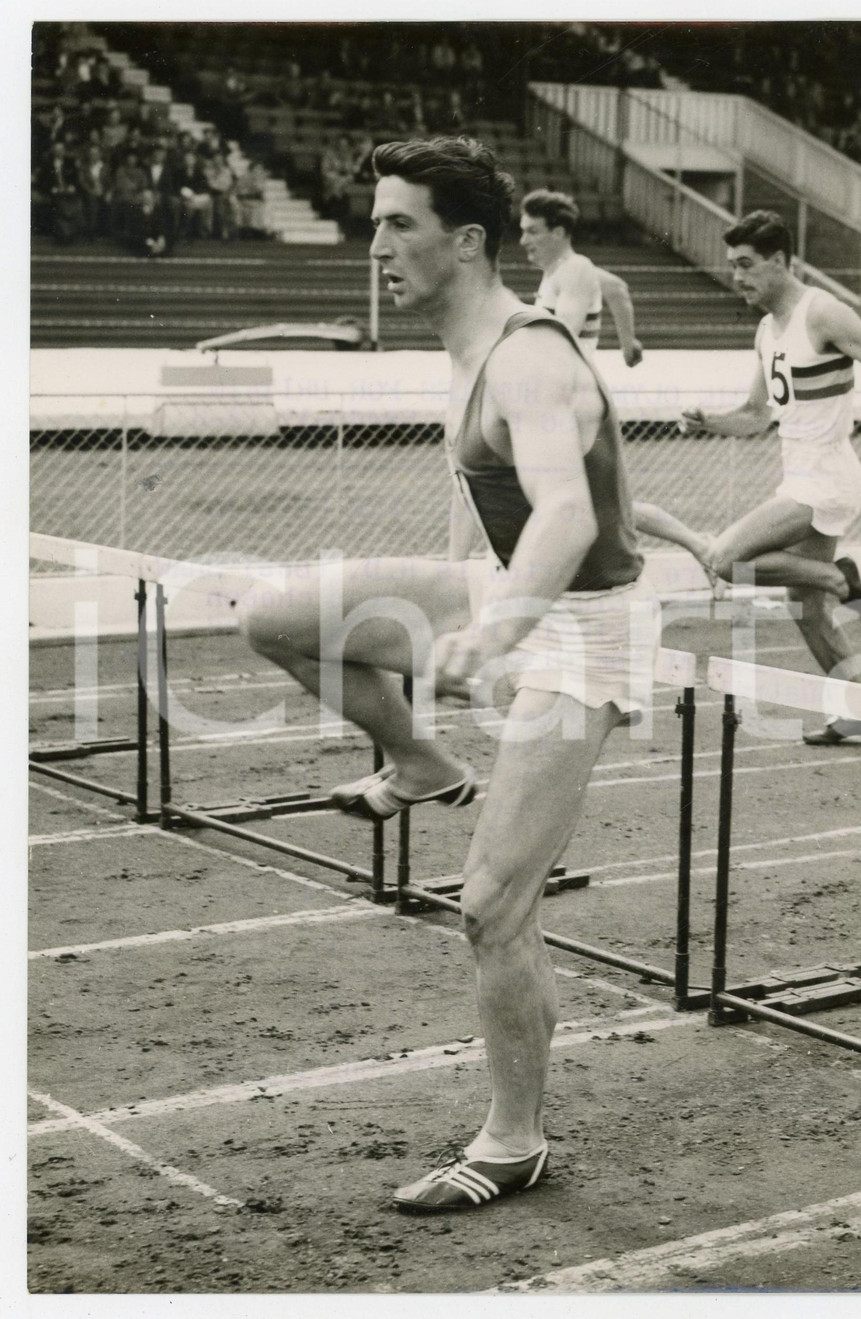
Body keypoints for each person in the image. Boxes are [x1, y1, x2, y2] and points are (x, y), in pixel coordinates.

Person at [239, 136, 660, 1212]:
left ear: (465, 241)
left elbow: (566, 510)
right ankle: (421, 762)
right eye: (375, 221)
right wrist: (489, 606)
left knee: (490, 905)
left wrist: (502, 626)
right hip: (505, 590)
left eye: (398, 225)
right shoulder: (467, 347)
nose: (373, 245)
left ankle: (514, 1138)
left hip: (582, 628)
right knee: (278, 618)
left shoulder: (521, 354)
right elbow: (557, 494)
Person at [634, 209, 861, 745]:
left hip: (827, 478)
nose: (738, 276)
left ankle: (839, 577)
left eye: (747, 265)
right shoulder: (767, 330)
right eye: (732, 266)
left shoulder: (823, 314)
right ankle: (860, 709)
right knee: (808, 613)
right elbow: (755, 415)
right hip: (802, 476)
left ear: (779, 261)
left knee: (725, 560)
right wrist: (710, 422)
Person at [519, 188, 643, 366]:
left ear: (558, 233)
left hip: (565, 386)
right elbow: (617, 289)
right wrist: (629, 343)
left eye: (532, 231)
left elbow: (561, 341)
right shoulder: (564, 269)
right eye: (523, 231)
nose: (523, 241)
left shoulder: (575, 269)